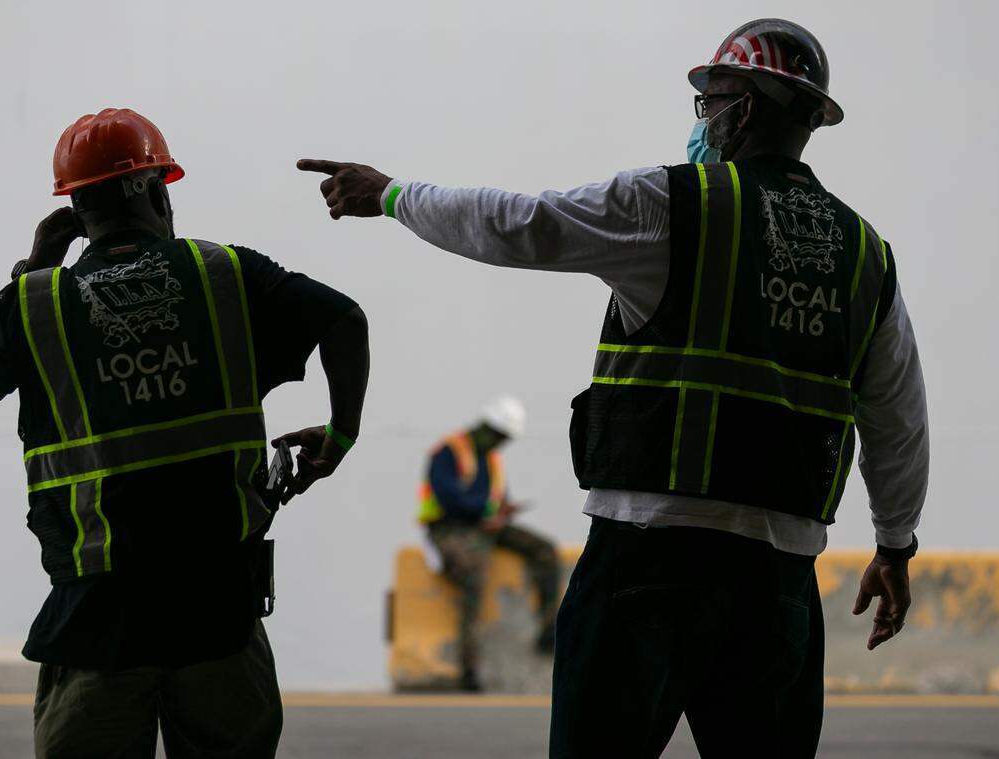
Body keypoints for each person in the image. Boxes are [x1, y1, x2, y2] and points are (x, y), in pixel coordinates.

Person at [296, 18, 928, 758]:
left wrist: (394, 194)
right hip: (779, 578)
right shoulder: (865, 257)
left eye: (710, 102)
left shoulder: (670, 204)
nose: (704, 121)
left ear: (745, 108)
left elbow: (518, 225)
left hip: (646, 562)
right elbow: (897, 418)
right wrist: (894, 545)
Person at [0, 107, 369, 758]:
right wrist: (339, 438)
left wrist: (31, 267)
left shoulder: (38, 300)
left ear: (74, 210)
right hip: (216, 608)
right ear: (157, 188)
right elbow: (343, 318)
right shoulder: (224, 273)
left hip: (97, 616)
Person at [418, 396, 560, 692]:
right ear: (484, 427)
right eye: (498, 435)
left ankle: (549, 629)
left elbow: (496, 498)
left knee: (545, 550)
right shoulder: (449, 452)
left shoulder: (493, 458)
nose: (500, 443)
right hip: (450, 529)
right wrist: (485, 511)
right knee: (474, 573)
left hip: (487, 526)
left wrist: (502, 512)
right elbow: (449, 499)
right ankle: (469, 669)